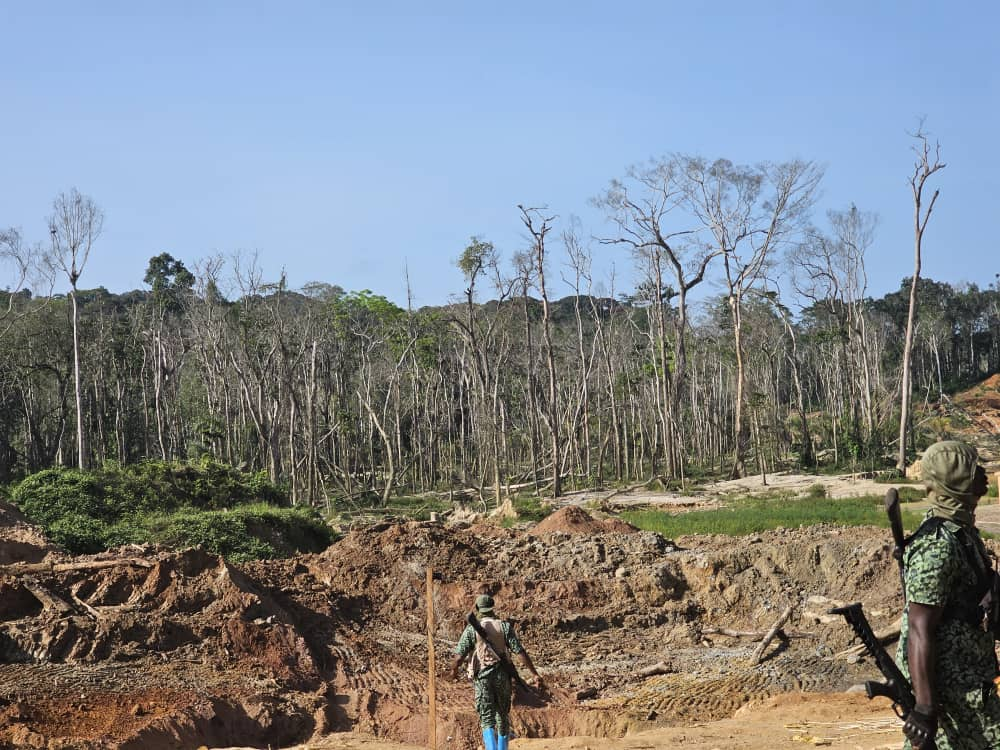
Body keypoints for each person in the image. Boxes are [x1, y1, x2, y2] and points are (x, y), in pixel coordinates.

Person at [895, 440, 1000, 749]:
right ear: (958, 479)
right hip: (953, 690)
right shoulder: (938, 545)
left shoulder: (961, 532)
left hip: (969, 677)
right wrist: (925, 708)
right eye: (973, 468)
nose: (983, 473)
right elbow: (919, 626)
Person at [450, 593, 543, 750]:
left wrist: (454, 673)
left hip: (483, 678)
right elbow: (520, 652)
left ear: (478, 609)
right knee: (502, 716)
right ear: (492, 608)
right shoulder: (504, 627)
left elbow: (458, 658)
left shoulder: (471, 630)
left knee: (487, 718)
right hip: (502, 676)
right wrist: (534, 673)